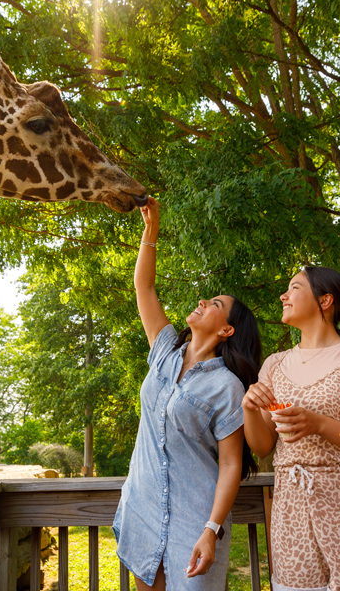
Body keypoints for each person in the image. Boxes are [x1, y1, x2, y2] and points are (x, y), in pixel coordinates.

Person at [113, 197, 264, 591]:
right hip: (143, 507)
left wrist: (211, 530)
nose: (202, 301)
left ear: (227, 330)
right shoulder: (164, 351)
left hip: (194, 520)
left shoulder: (227, 386)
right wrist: (151, 232)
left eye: (215, 304)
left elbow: (232, 465)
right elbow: (143, 287)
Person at [242, 266, 340, 591]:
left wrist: (319, 424)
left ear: (325, 300)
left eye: (294, 287)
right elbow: (263, 446)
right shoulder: (275, 364)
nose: (284, 295)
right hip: (289, 512)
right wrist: (249, 408)